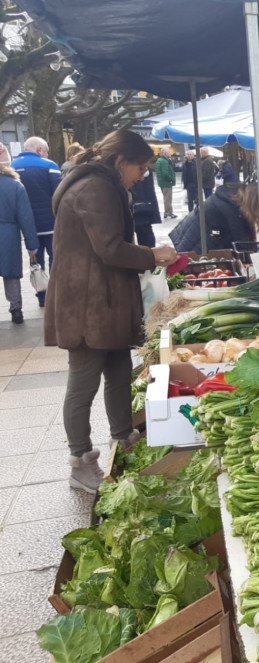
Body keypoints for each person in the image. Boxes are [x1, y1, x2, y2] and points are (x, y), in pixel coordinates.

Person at [45, 129, 178, 494]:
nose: (143, 175)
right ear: (121, 162)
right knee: (84, 381)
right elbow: (109, 248)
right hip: (87, 301)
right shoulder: (95, 188)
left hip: (105, 298)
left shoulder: (102, 184)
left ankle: (124, 436)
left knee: (119, 370)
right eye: (141, 167)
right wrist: (151, 255)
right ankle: (80, 460)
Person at [11, 136, 61, 307]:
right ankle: (55, 293)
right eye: (46, 151)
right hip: (51, 224)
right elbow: (59, 195)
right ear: (40, 150)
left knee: (36, 261)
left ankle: (42, 296)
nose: (47, 155)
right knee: (55, 258)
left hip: (28, 227)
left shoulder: (12, 168)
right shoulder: (50, 166)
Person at [0, 143, 39, 324]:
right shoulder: (15, 185)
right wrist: (32, 244)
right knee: (11, 273)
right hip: (8, 233)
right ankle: (16, 310)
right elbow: (26, 217)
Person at [170, 182, 259, 254]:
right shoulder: (231, 209)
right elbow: (241, 244)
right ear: (253, 203)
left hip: (194, 233)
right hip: (197, 240)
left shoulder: (233, 197)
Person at [131, 167, 161, 247]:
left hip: (142, 210)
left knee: (146, 238)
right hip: (141, 208)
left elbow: (150, 192)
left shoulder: (144, 170)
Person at [156, 146, 176, 218]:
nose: (170, 153)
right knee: (168, 199)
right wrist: (171, 179)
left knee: (166, 198)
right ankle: (168, 213)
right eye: (169, 152)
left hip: (162, 182)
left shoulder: (160, 160)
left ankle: (168, 212)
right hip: (166, 183)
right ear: (165, 153)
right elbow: (165, 173)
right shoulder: (164, 161)